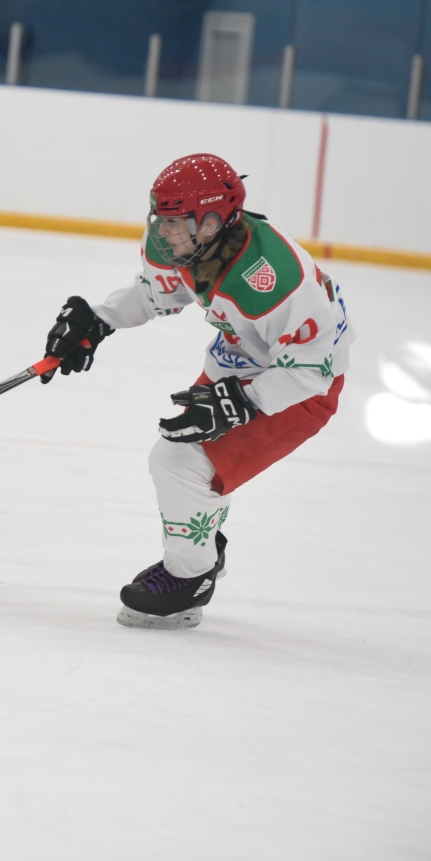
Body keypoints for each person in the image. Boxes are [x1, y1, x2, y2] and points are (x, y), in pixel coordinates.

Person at [41, 153, 354, 628]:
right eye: (160, 219)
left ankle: (191, 577)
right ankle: (203, 547)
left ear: (210, 222)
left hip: (301, 385)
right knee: (192, 461)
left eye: (174, 222)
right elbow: (157, 292)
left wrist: (243, 403)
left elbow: (312, 369)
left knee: (179, 463)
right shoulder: (188, 244)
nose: (162, 232)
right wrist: (99, 320)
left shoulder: (274, 277)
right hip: (241, 356)